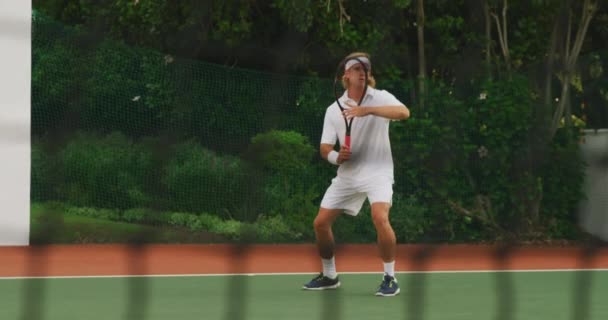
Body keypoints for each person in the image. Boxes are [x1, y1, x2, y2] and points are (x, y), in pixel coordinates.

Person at [302, 52, 410, 297]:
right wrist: (335, 157)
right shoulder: (333, 110)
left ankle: (390, 278)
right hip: (348, 175)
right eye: (356, 67)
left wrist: (368, 110)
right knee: (320, 223)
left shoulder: (380, 97)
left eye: (366, 68)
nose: (362, 71)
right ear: (346, 75)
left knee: (380, 217)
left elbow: (404, 113)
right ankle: (329, 276)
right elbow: (325, 147)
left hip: (378, 171)